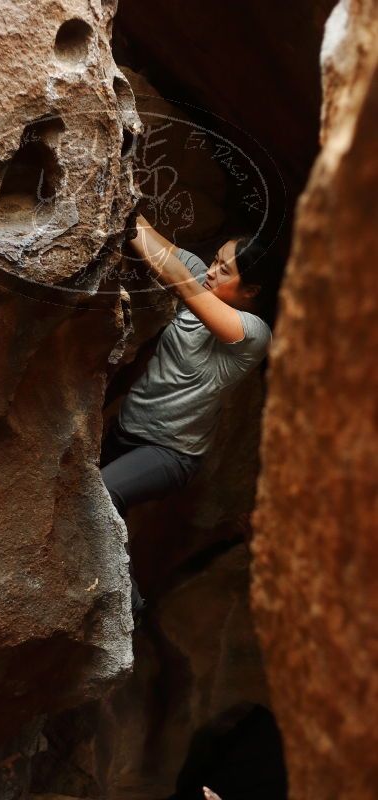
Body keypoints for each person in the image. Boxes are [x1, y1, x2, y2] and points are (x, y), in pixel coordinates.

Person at [100, 213, 273, 620]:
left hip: (171, 453)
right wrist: (125, 206)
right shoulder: (200, 277)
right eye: (214, 260)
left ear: (250, 290)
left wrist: (126, 220)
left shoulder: (252, 332)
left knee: (103, 495)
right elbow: (159, 245)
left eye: (224, 270)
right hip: (126, 429)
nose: (211, 271)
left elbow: (179, 279)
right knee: (86, 509)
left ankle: (129, 606)